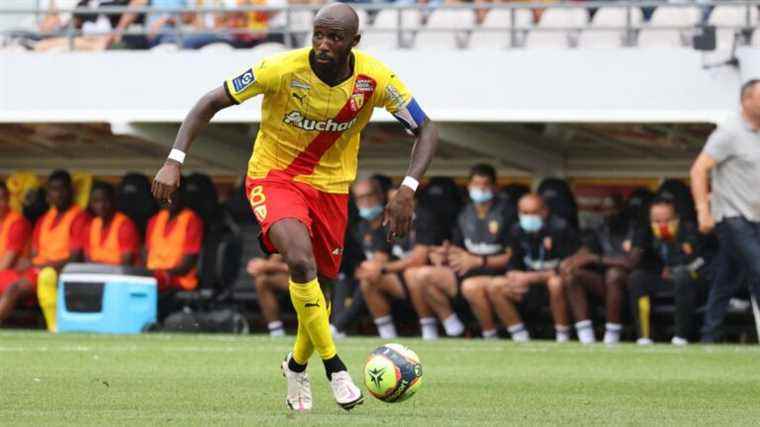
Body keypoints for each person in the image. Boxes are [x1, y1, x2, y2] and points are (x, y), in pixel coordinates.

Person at [150, 2, 438, 412]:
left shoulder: (375, 78)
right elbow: (210, 101)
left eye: (333, 37)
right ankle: (335, 367)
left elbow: (426, 127)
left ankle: (296, 364)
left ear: (353, 42)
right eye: (318, 34)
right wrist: (174, 160)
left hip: (333, 189)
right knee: (300, 263)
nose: (322, 44)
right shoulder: (280, 69)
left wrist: (408, 188)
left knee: (322, 289)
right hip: (274, 177)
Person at [406, 164, 512, 340]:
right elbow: (458, 247)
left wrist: (479, 261)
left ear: (494, 187)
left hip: (496, 271)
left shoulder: (506, 213)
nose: (481, 189)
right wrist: (444, 254)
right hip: (466, 270)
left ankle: (490, 336)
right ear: (469, 187)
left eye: (485, 185)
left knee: (471, 287)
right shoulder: (464, 213)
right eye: (476, 185)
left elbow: (512, 256)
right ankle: (454, 329)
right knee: (420, 275)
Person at [691, 79, 760, 343]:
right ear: (746, 100)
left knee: (727, 277)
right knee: (758, 268)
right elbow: (699, 170)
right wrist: (702, 211)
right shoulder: (729, 132)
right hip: (732, 217)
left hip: (755, 218)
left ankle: (709, 334)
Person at [0, 170, 90, 331]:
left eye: (61, 189)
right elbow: (35, 254)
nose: (58, 194)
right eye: (53, 190)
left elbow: (76, 258)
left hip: (60, 272)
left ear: (70, 191)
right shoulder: (44, 219)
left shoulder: (79, 217)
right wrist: (32, 264)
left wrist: (40, 265)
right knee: (13, 284)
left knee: (14, 289)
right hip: (36, 270)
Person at [354, 179, 442, 339]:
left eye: (400, 201)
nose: (397, 206)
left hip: (427, 280)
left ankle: (431, 329)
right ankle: (387, 335)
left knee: (413, 274)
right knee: (368, 279)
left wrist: (383, 269)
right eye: (393, 201)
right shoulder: (388, 222)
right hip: (399, 278)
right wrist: (370, 269)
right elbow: (381, 254)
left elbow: (418, 260)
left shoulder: (423, 218)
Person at [484, 193, 577, 342]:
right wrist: (513, 275)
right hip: (527, 286)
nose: (528, 217)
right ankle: (519, 335)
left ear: (544, 211)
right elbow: (512, 261)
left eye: (533, 213)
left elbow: (568, 267)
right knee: (495, 286)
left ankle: (563, 335)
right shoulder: (515, 229)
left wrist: (532, 277)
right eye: (524, 213)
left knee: (556, 283)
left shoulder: (561, 228)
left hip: (553, 285)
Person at [627, 197, 706, 345]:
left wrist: (676, 267)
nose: (662, 225)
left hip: (691, 280)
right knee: (637, 278)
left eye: (667, 220)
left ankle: (681, 336)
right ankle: (644, 336)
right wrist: (640, 243)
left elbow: (701, 261)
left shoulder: (689, 230)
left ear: (676, 218)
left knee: (682, 275)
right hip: (662, 279)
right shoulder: (646, 232)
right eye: (657, 221)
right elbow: (636, 262)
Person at [560, 195, 633, 345]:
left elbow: (631, 262)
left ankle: (612, 336)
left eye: (612, 209)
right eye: (604, 210)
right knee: (573, 275)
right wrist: (572, 261)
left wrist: (596, 259)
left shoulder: (635, 228)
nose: (608, 213)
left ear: (622, 209)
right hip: (606, 286)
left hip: (632, 284)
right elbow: (586, 251)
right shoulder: (600, 229)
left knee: (614, 274)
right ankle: (585, 336)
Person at [145, 182, 203, 319]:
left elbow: (186, 265)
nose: (168, 198)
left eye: (172, 193)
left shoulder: (191, 220)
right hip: (155, 278)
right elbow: (146, 255)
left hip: (178, 280)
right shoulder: (154, 220)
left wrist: (160, 275)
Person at [0, 181, 33, 324]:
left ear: (8, 200)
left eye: (1, 199)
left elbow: (5, 264)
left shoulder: (17, 223)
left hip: (14, 274)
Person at [85, 181, 140, 266]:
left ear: (114, 201)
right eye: (96, 201)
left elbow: (126, 263)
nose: (101, 206)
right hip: (94, 275)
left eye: (105, 201)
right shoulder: (91, 225)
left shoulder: (125, 225)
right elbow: (87, 259)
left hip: (118, 276)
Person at [247, 254, 289, 336]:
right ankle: (276, 331)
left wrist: (268, 265)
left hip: (314, 277)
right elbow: (276, 258)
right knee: (261, 281)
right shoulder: (278, 244)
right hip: (292, 276)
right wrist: (258, 267)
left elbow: (305, 267)